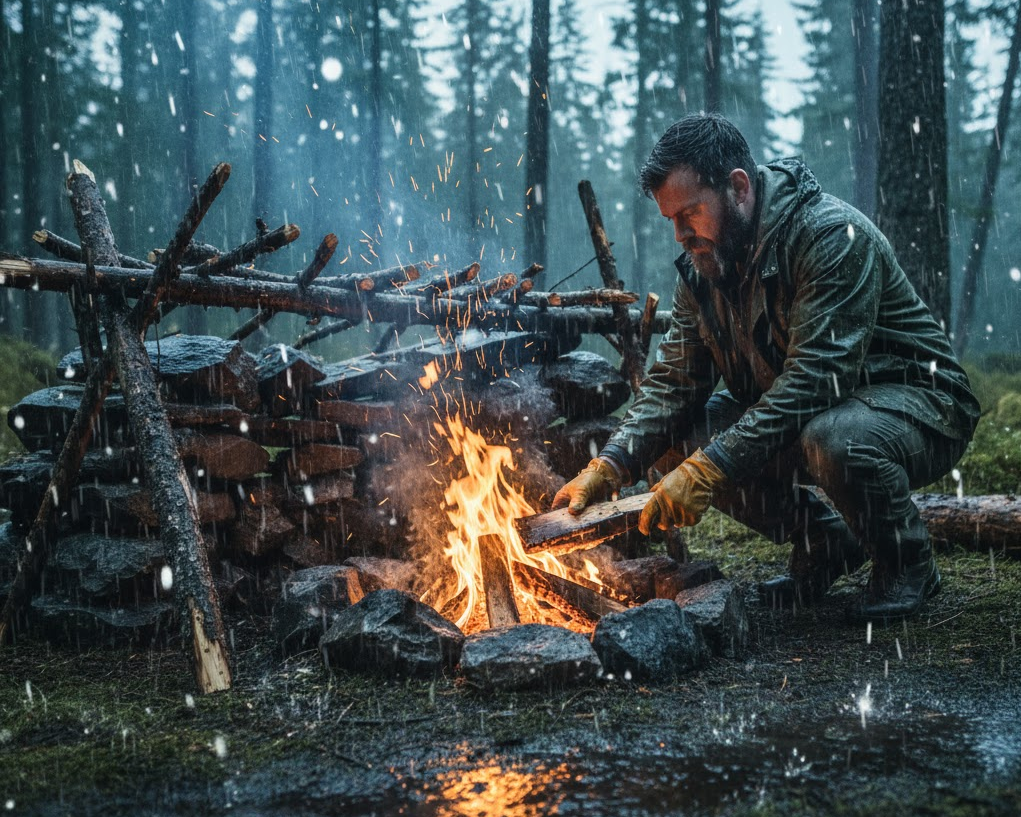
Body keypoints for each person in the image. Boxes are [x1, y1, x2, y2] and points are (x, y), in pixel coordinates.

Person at [552, 113, 979, 623]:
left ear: (737, 187)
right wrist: (611, 465)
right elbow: (674, 386)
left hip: (919, 404)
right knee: (675, 439)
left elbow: (816, 381)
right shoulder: (704, 265)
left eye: (689, 212)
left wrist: (711, 469)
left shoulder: (830, 237)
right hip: (813, 414)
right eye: (671, 220)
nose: (680, 234)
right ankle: (825, 542)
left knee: (835, 438)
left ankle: (906, 564)